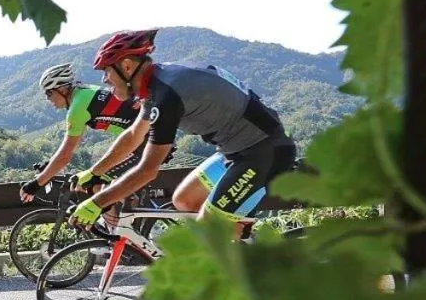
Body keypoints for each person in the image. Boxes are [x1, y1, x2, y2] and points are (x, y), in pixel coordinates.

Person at [69, 29, 297, 243]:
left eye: (107, 71)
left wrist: (97, 202)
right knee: (184, 200)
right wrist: (94, 172)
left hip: (264, 153)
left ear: (127, 66)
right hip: (236, 151)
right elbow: (134, 135)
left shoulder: (167, 94)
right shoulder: (156, 84)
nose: (104, 80)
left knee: (207, 236)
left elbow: (147, 170)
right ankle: (240, 249)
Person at [19, 62, 172, 215]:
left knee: (92, 184)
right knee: (100, 184)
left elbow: (65, 155)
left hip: (147, 143)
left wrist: (36, 184)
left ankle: (119, 235)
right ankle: (130, 227)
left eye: (49, 93)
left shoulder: (77, 108)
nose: (47, 99)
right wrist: (50, 165)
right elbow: (71, 148)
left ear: (62, 89)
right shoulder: (84, 93)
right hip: (149, 138)